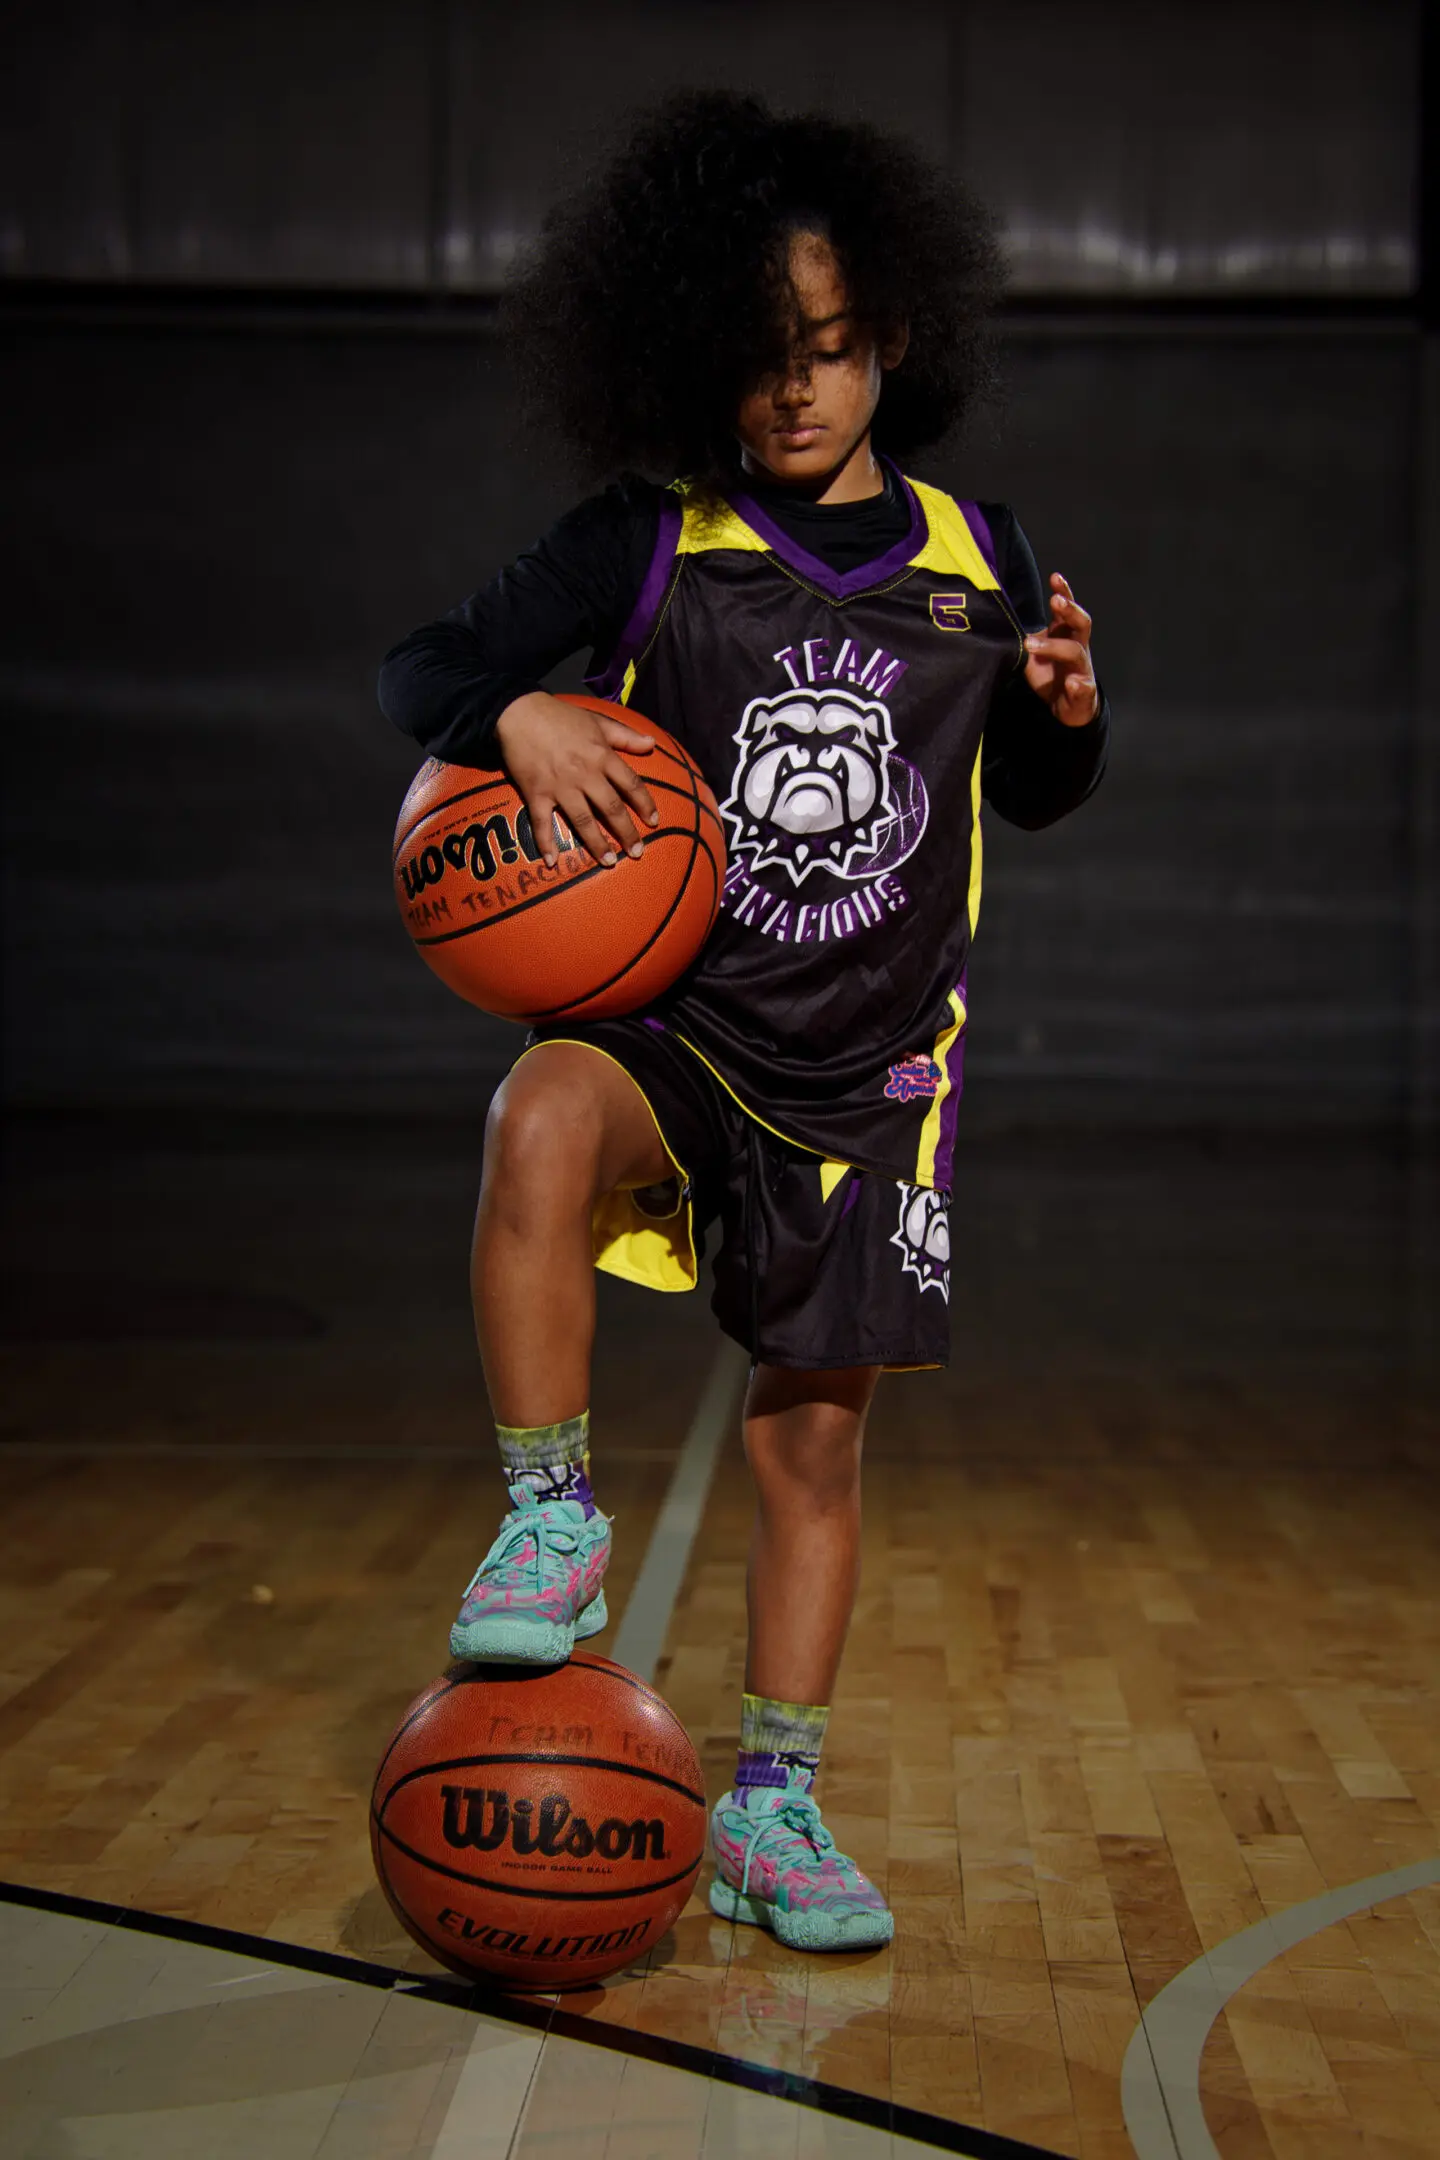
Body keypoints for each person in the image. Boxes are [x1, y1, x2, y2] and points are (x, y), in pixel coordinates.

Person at [378, 91, 1109, 1955]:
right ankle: (551, 1519)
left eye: (833, 352)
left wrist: (1071, 712)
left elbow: (1026, 791)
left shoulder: (983, 554)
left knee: (811, 1449)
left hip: (874, 1072)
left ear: (896, 344)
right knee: (538, 1110)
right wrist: (513, 720)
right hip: (682, 1034)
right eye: (762, 358)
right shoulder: (648, 538)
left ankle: (772, 1808)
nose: (796, 393)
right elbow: (424, 668)